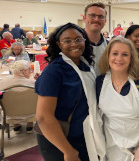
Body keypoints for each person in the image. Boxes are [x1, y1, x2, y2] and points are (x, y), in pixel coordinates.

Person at [35, 23, 105, 161]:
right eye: (67, 41)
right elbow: (43, 117)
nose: (74, 44)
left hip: (84, 136)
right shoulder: (54, 71)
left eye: (79, 39)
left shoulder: (85, 65)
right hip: (60, 140)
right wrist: (68, 151)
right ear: (58, 44)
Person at [97, 37, 139, 161]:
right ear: (107, 56)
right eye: (114, 53)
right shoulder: (100, 82)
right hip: (113, 146)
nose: (119, 58)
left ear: (131, 58)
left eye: (125, 54)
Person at [0, 60, 35, 133]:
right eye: (30, 70)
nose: (31, 72)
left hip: (9, 115)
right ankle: (30, 124)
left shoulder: (2, 83)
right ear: (24, 71)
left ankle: (16, 125)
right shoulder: (33, 83)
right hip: (32, 114)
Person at [83, 2, 108, 76]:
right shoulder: (73, 45)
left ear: (105, 21)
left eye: (101, 16)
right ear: (84, 18)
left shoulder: (110, 46)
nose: (96, 19)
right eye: (92, 15)